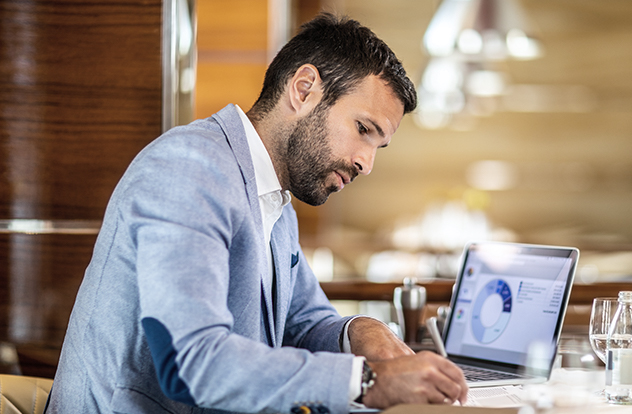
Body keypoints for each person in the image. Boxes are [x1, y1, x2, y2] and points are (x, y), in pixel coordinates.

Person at [46, 13, 468, 414]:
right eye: (363, 130)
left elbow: (303, 321)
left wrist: (361, 331)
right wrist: (367, 381)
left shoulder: (278, 203)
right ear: (303, 89)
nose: (366, 163)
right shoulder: (189, 168)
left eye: (378, 146)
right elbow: (191, 363)